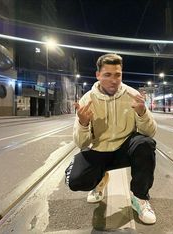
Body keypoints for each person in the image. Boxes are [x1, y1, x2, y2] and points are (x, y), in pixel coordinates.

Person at [65, 53, 157, 224]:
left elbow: (150, 132)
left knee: (146, 143)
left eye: (118, 75)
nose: (114, 80)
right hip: (99, 151)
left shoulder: (132, 95)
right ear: (98, 75)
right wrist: (83, 123)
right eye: (107, 75)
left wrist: (142, 113)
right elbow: (81, 143)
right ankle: (99, 180)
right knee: (75, 180)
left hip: (124, 150)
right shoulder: (87, 99)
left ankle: (140, 198)